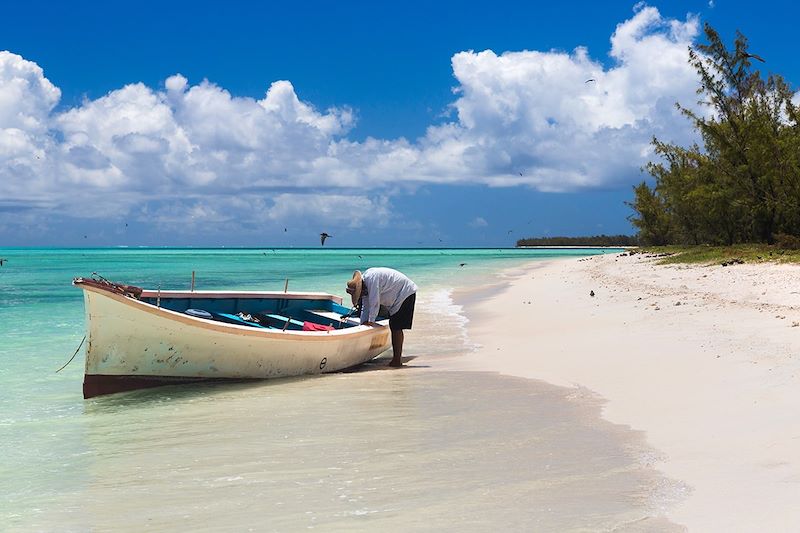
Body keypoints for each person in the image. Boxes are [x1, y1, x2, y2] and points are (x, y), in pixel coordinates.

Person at [346, 267, 417, 367]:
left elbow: (375, 303)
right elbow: (366, 306)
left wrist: (370, 322)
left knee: (396, 327)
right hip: (395, 298)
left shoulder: (372, 279)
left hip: (405, 293)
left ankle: (397, 360)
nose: (361, 295)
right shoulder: (365, 286)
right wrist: (362, 324)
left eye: (359, 293)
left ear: (361, 287)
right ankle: (396, 358)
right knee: (394, 324)